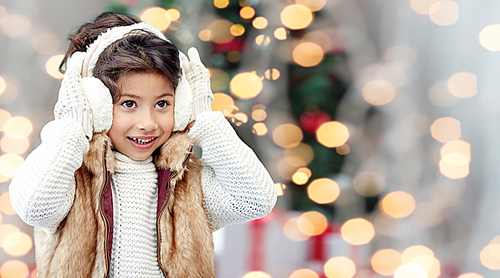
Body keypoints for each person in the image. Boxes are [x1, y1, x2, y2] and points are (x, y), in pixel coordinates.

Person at [9, 12, 277, 277]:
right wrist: (73, 127)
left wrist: (204, 121)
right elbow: (34, 207)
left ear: (181, 104)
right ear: (95, 106)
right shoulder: (68, 175)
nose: (148, 123)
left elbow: (255, 201)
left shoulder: (186, 180)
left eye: (162, 104)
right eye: (129, 103)